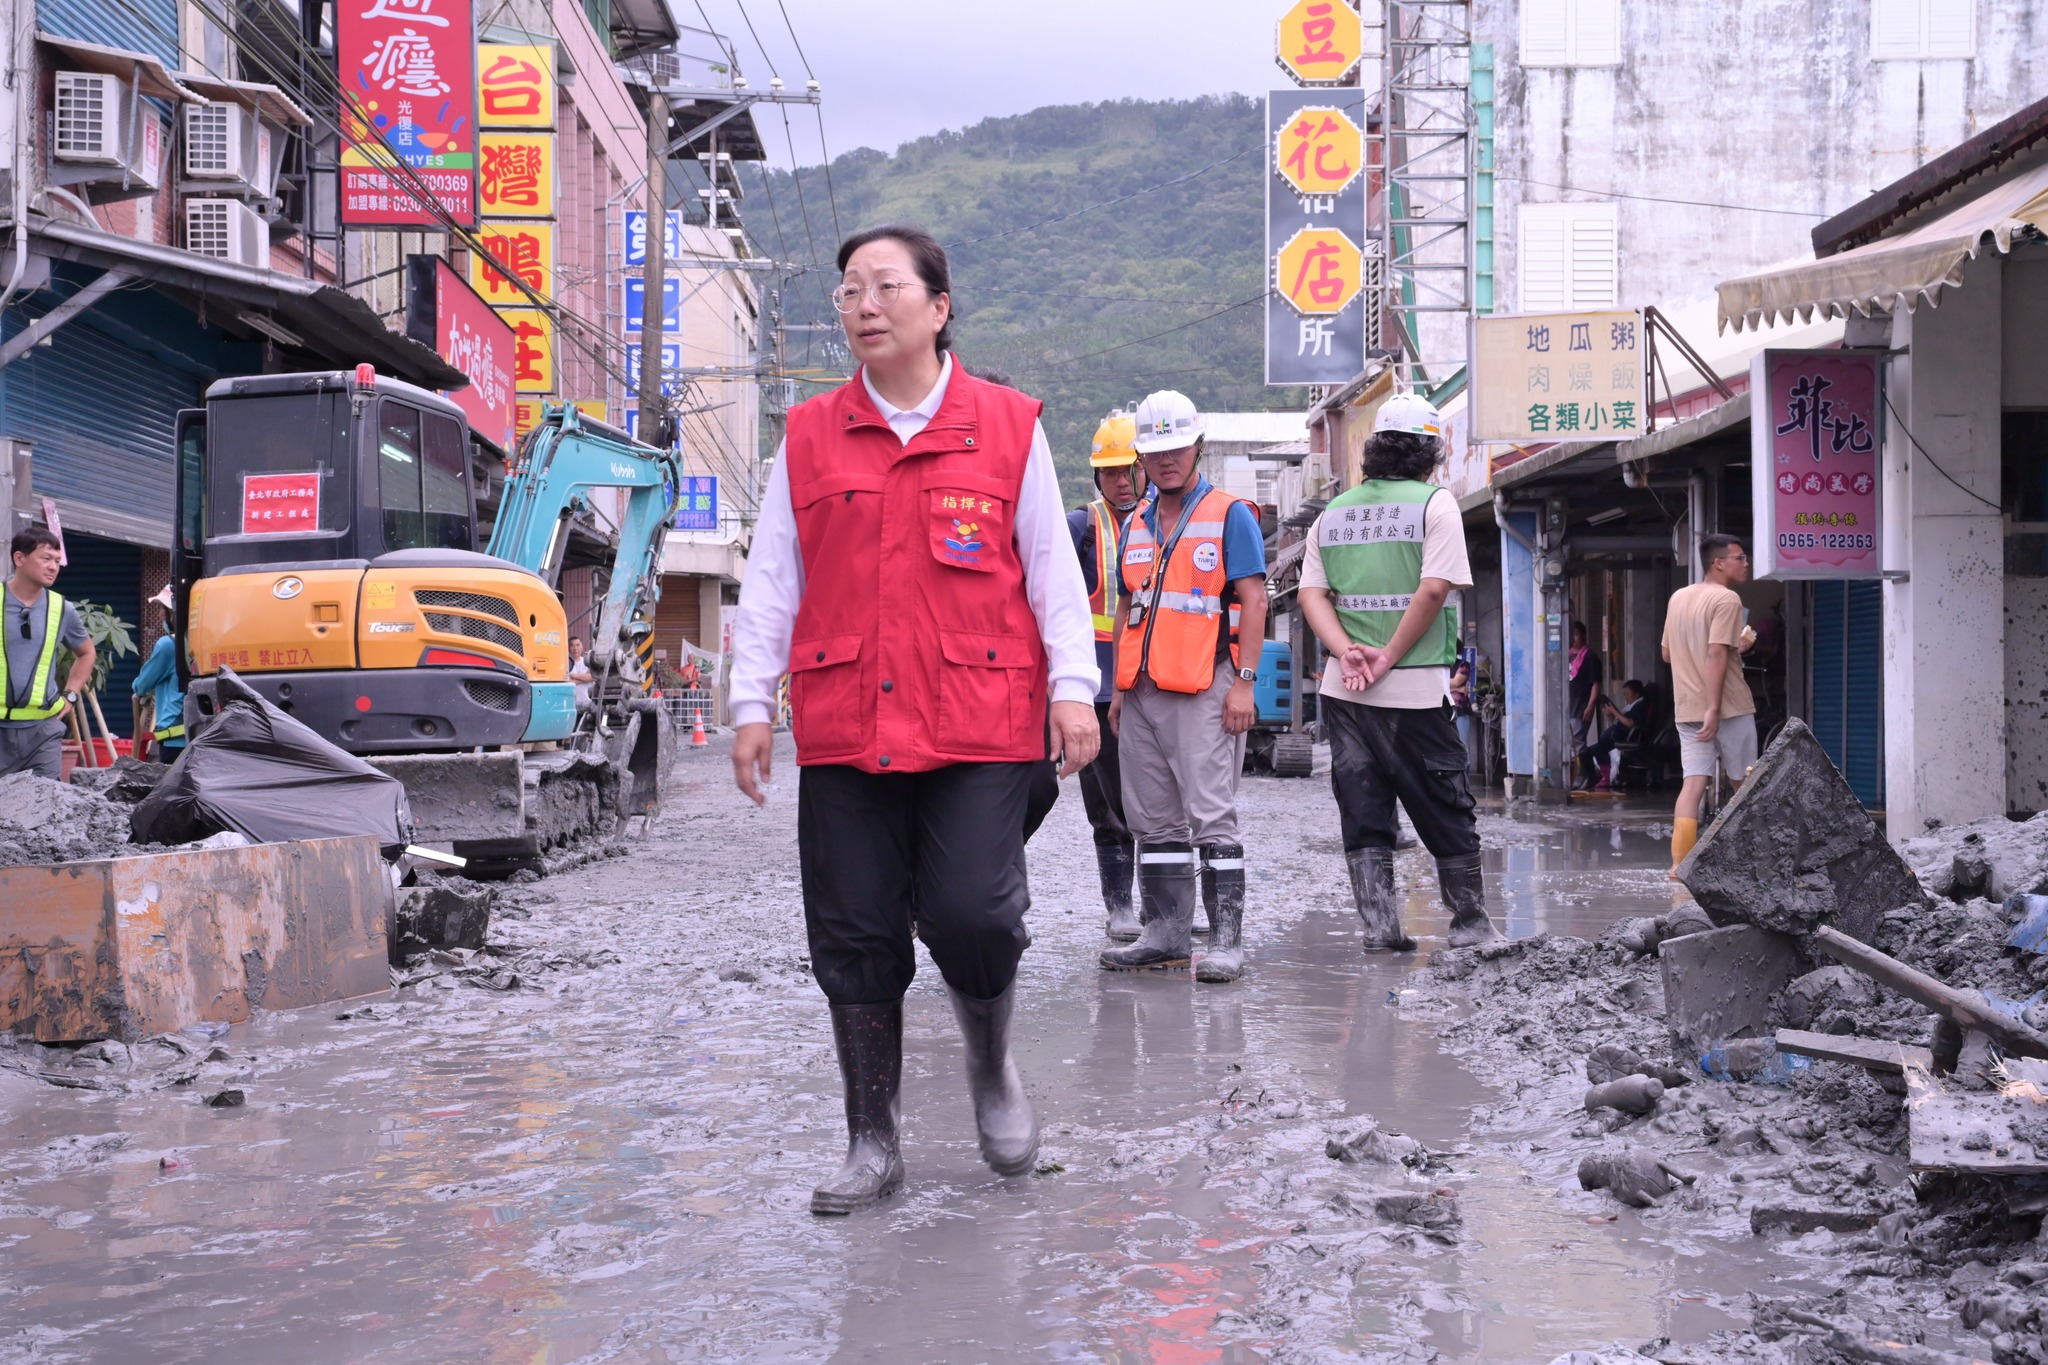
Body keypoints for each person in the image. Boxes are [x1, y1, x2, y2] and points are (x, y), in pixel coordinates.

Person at [727, 224, 1099, 1216]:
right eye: (849, 288)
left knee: (975, 914)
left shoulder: (1008, 426)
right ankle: (871, 1139)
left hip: (979, 721)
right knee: (852, 932)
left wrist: (1074, 685)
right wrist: (748, 701)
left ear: (938, 307)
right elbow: (771, 579)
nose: (863, 305)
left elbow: (1052, 571)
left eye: (885, 286)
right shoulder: (807, 436)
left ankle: (989, 1071)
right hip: (848, 721)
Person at [1297, 394, 1501, 952]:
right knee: (1444, 803)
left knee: (1363, 809)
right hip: (1413, 688)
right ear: (1431, 451)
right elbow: (1433, 588)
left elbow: (1311, 595)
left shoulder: (1332, 514)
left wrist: (1345, 650)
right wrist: (1386, 655)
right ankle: (1470, 925)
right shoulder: (1435, 505)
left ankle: (1381, 930)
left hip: (1345, 692)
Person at [1101, 389, 1266, 983]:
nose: (1166, 459)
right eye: (1154, 450)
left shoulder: (1230, 514)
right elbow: (1128, 604)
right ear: (1140, 458)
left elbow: (1253, 597)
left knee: (1210, 815)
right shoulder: (1137, 523)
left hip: (1204, 686)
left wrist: (1243, 684)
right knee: (1152, 819)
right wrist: (1119, 690)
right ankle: (1165, 935)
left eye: (1177, 447)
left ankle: (1225, 943)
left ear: (1197, 446)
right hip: (1141, 689)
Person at [1067, 410, 1144, 940]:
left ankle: (1171, 904)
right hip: (1097, 689)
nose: (1120, 481)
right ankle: (1120, 906)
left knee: (1168, 802)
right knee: (1110, 807)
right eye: (1110, 471)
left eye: (1128, 470)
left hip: (1159, 683)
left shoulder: (1172, 522)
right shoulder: (1082, 528)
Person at [1662, 533, 1757, 872]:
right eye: (1740, 558)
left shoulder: (1678, 598)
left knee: (1693, 783)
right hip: (1727, 706)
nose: (1746, 563)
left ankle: (1679, 867)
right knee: (1745, 783)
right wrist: (1714, 709)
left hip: (1686, 708)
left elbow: (1668, 653)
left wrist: (1733, 648)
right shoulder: (1727, 599)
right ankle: (1751, 863)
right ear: (1719, 563)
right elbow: (1716, 652)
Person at [0, 526, 94, 781]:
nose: (54, 567)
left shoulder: (61, 608)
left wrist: (71, 695)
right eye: (46, 558)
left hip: (44, 731)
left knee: (45, 809)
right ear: (19, 558)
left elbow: (87, 653)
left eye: (56, 560)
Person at [131, 585, 186, 762]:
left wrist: (141, 690)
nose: (160, 614)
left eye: (162, 609)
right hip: (198, 736)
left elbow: (142, 684)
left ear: (174, 612)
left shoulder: (168, 645)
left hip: (174, 740)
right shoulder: (200, 642)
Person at [1592, 679, 1649, 790]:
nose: (1625, 697)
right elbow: (1618, 720)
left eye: (1628, 694)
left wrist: (1615, 711)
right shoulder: (1629, 706)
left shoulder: (1639, 705)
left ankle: (1606, 777)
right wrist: (1610, 714)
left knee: (1598, 749)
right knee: (1596, 749)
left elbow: (1630, 723)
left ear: (1636, 693)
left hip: (1627, 736)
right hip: (1615, 733)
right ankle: (1604, 775)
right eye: (1624, 694)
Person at [1568, 622, 1604, 790]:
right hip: (1567, 706)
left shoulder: (1590, 657)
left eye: (1576, 634)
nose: (1574, 638)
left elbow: (1596, 684)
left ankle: (1590, 773)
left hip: (1581, 706)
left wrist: (1590, 706)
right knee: (1572, 742)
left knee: (1579, 741)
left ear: (1583, 636)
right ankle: (1587, 774)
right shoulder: (1566, 655)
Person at [567, 635, 594, 711]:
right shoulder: (565, 664)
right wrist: (585, 678)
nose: (575, 648)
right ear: (568, 648)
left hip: (587, 703)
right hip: (571, 705)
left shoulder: (587, 662)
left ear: (582, 647)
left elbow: (593, 677)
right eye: (572, 645)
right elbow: (566, 682)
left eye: (578, 645)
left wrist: (574, 676)